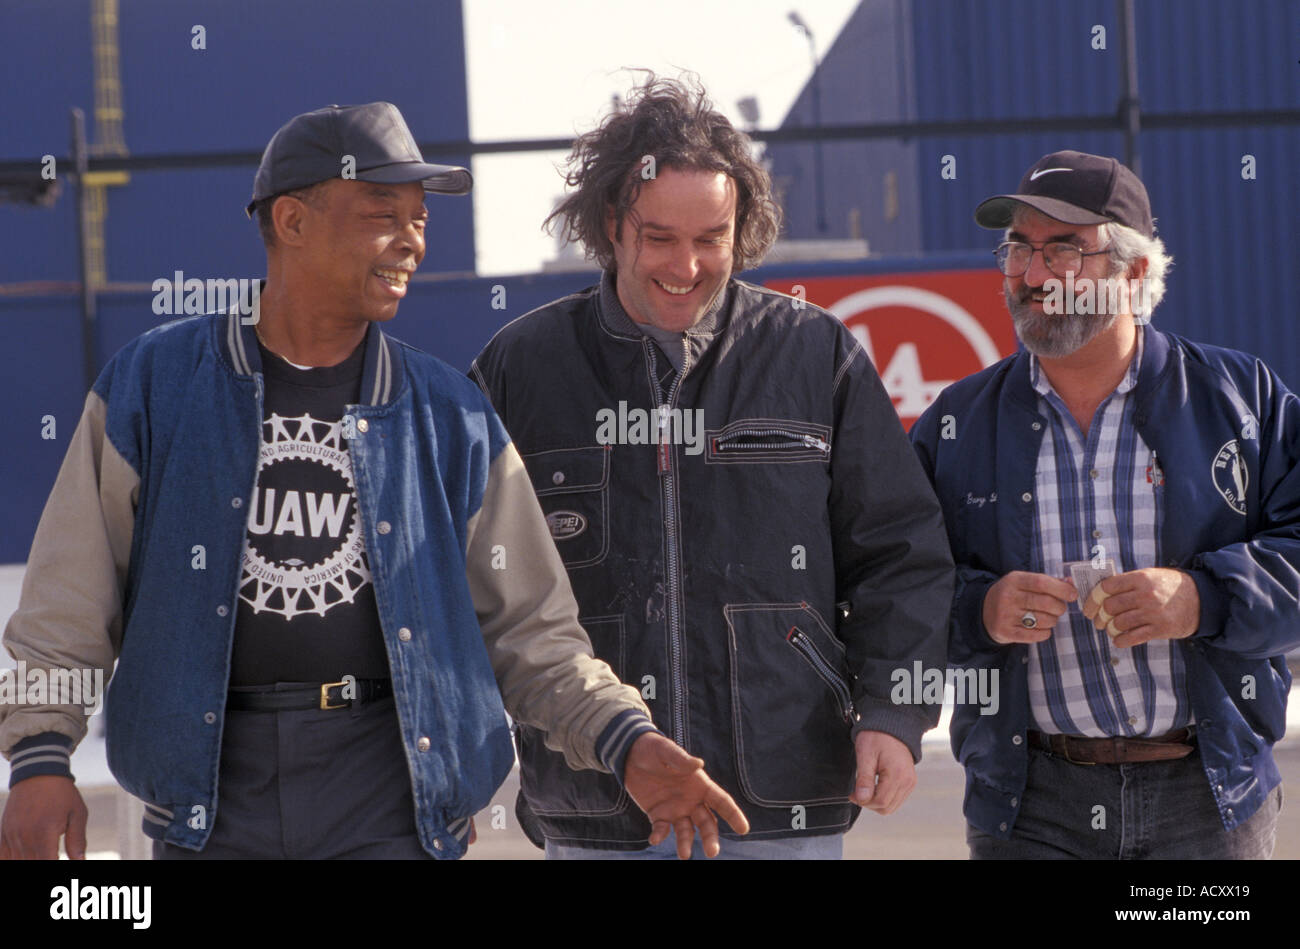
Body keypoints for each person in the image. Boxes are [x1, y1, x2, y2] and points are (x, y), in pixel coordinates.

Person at [0, 102, 747, 861]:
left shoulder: (452, 415)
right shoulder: (154, 385)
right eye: (382, 214)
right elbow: (67, 604)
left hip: (395, 806)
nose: (413, 242)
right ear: (291, 221)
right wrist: (38, 759)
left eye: (420, 219)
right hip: (208, 809)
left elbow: (536, 636)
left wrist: (627, 739)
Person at [471, 76, 954, 859]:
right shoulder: (519, 370)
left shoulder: (816, 355)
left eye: (712, 237)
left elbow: (902, 553)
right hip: (599, 810)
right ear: (610, 226)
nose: (686, 265)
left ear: (744, 229)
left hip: (780, 805)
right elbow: (471, 587)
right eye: (659, 237)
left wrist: (895, 715)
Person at [910, 149, 1299, 859]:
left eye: (1063, 250)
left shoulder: (1242, 400)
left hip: (1208, 800)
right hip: (1029, 808)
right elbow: (898, 583)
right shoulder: (956, 425)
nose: (1033, 276)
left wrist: (1202, 599)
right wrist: (980, 608)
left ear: (1137, 271)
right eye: (1018, 249)